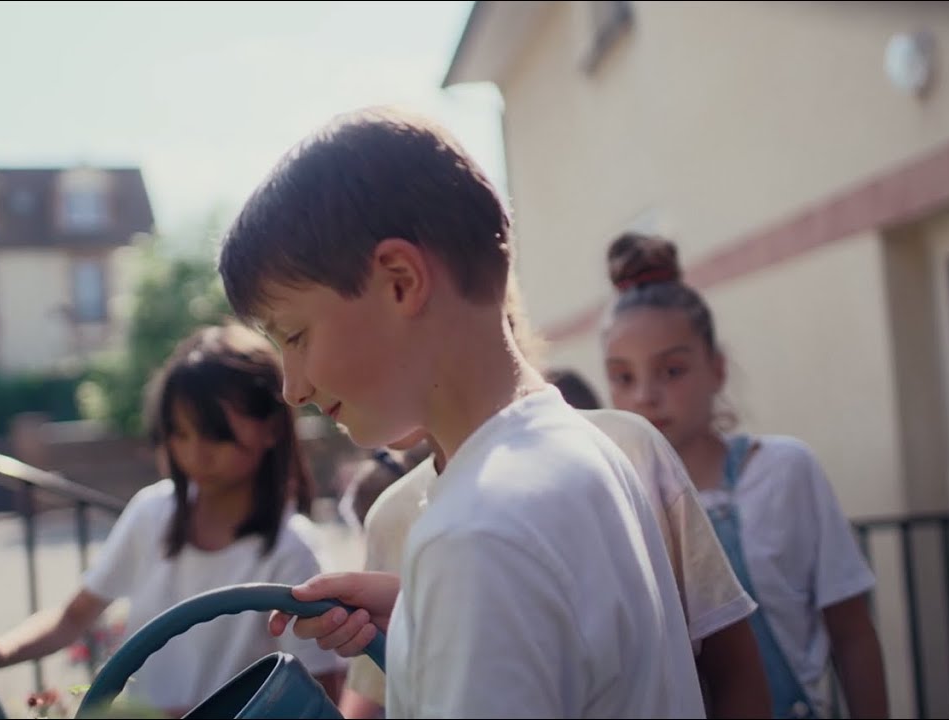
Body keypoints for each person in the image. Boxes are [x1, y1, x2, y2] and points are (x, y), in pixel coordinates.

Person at [216, 105, 705, 718]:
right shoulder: (583, 453)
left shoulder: (473, 535)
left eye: (294, 335)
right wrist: (427, 613)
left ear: (400, 281)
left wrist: (456, 592)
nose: (291, 390)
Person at [338, 298, 770, 720]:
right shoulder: (392, 517)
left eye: (301, 335)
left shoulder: (626, 447)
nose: (297, 389)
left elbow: (734, 671)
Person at [0, 323, 344, 717]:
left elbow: (317, 693)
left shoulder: (294, 553)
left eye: (216, 435)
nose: (194, 453)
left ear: (272, 428)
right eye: (180, 434)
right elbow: (73, 617)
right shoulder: (152, 513)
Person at [600, 231, 889, 718]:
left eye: (671, 371)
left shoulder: (784, 472)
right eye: (623, 377)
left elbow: (852, 633)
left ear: (717, 369)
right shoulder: (615, 503)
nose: (645, 396)